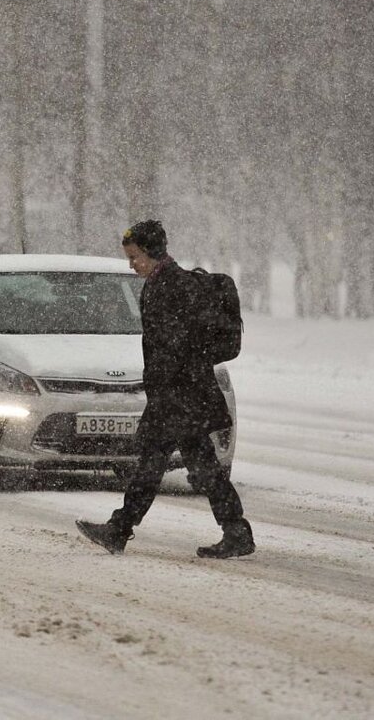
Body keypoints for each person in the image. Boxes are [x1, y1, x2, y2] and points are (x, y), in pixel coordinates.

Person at [76, 220, 255, 558]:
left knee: (153, 465)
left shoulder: (172, 287)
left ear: (154, 253)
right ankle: (236, 531)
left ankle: (120, 528)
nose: (132, 265)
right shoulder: (164, 284)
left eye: (135, 257)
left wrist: (166, 387)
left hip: (179, 395)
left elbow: (178, 345)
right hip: (180, 395)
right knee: (197, 467)